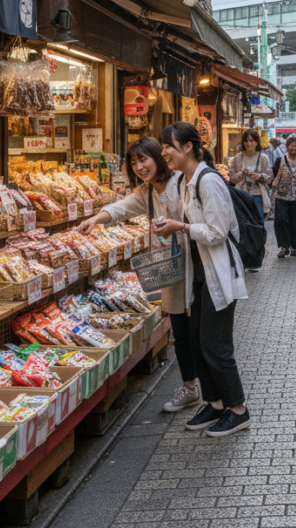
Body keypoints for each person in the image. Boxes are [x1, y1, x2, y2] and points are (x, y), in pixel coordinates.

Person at [77, 138, 198, 413]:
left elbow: (201, 221)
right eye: (134, 162)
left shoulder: (183, 182)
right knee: (181, 331)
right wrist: (97, 218)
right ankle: (191, 388)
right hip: (172, 269)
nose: (140, 166)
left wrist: (179, 226)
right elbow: (124, 207)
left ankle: (214, 396)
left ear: (158, 157)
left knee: (200, 333)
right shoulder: (147, 191)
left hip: (198, 267)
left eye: (144, 159)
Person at [152, 122, 251, 437]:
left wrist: (179, 227)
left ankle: (238, 409)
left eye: (168, 145)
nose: (164, 151)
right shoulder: (183, 180)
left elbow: (218, 232)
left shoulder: (208, 181)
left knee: (215, 343)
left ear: (188, 147)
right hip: (199, 274)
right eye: (163, 145)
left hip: (218, 272)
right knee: (196, 341)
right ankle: (215, 403)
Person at [270, 135, 296, 258]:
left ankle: (294, 247)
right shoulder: (280, 160)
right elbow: (273, 175)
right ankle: (284, 247)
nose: (293, 148)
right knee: (281, 221)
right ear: (286, 147)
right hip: (281, 196)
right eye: (291, 145)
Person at [228, 129, 272, 229]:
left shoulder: (263, 157)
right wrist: (239, 175)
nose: (249, 143)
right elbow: (232, 179)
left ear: (256, 142)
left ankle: (259, 244)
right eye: (246, 141)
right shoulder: (238, 158)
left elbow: (269, 178)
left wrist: (260, 176)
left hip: (257, 196)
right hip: (241, 195)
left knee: (258, 224)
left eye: (252, 140)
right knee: (242, 224)